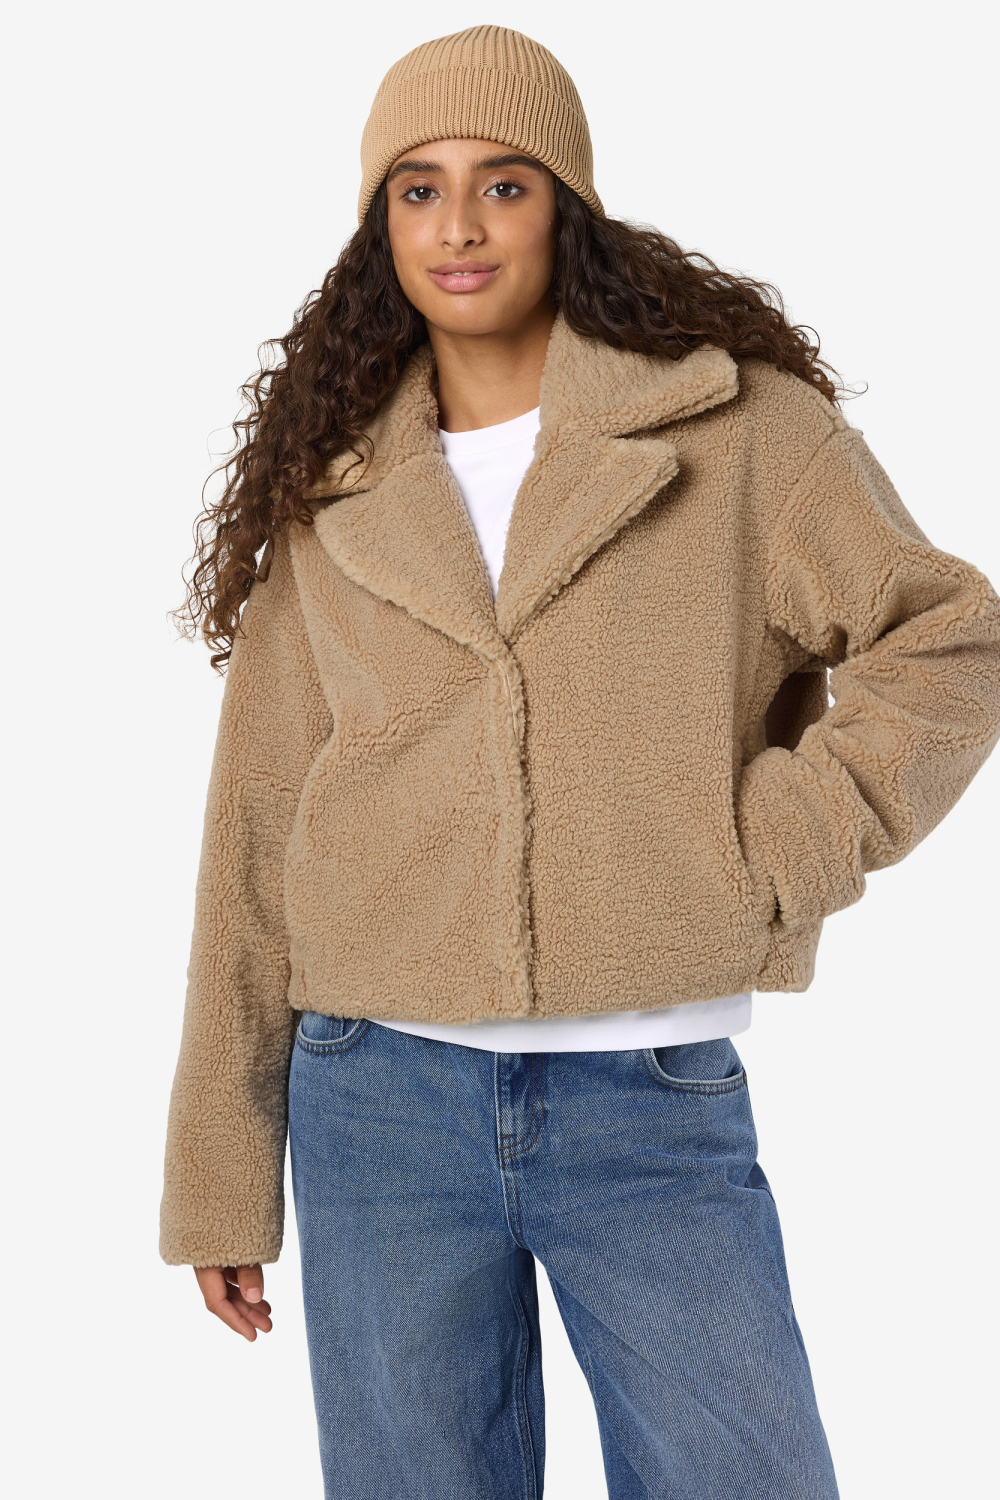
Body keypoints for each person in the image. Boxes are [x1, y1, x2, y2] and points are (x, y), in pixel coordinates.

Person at [160, 25, 1000, 1500]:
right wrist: (222, 1173)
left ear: (569, 206)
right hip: (373, 1095)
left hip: (647, 1093)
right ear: (379, 224)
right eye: (417, 189)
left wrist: (778, 845)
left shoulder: (738, 431)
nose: (460, 227)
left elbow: (950, 640)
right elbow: (259, 819)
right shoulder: (334, 476)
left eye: (504, 184)